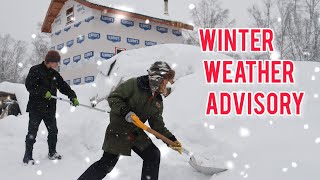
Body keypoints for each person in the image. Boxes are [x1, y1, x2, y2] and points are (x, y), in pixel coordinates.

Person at [78, 61, 182, 180]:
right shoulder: (134, 84)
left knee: (153, 155)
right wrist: (126, 111)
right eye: (165, 80)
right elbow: (114, 98)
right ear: (157, 78)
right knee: (107, 164)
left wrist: (171, 140)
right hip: (118, 129)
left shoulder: (157, 101)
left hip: (135, 132)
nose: (167, 85)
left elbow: (157, 126)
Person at [23, 50, 80, 165]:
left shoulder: (54, 74)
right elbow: (29, 85)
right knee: (32, 133)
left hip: (49, 109)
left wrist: (72, 96)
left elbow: (63, 86)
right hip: (36, 108)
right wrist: (43, 92)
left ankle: (52, 152)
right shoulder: (35, 70)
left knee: (53, 131)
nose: (58, 65)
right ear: (51, 61)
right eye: (57, 62)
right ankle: (27, 157)